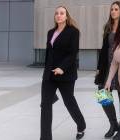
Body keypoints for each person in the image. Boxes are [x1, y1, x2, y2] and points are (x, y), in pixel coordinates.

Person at [40, 6, 86, 140]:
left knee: (69, 102)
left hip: (65, 74)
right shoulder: (50, 32)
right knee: (45, 105)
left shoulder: (73, 32)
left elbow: (73, 53)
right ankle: (45, 137)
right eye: (56, 13)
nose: (58, 15)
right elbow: (49, 54)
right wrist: (46, 72)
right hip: (49, 75)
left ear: (66, 16)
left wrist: (62, 68)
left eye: (62, 13)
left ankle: (81, 125)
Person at [94, 1, 120, 138]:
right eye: (112, 9)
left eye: (116, 9)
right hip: (107, 66)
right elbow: (103, 49)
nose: (113, 11)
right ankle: (113, 124)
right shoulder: (108, 27)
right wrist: (99, 68)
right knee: (102, 93)